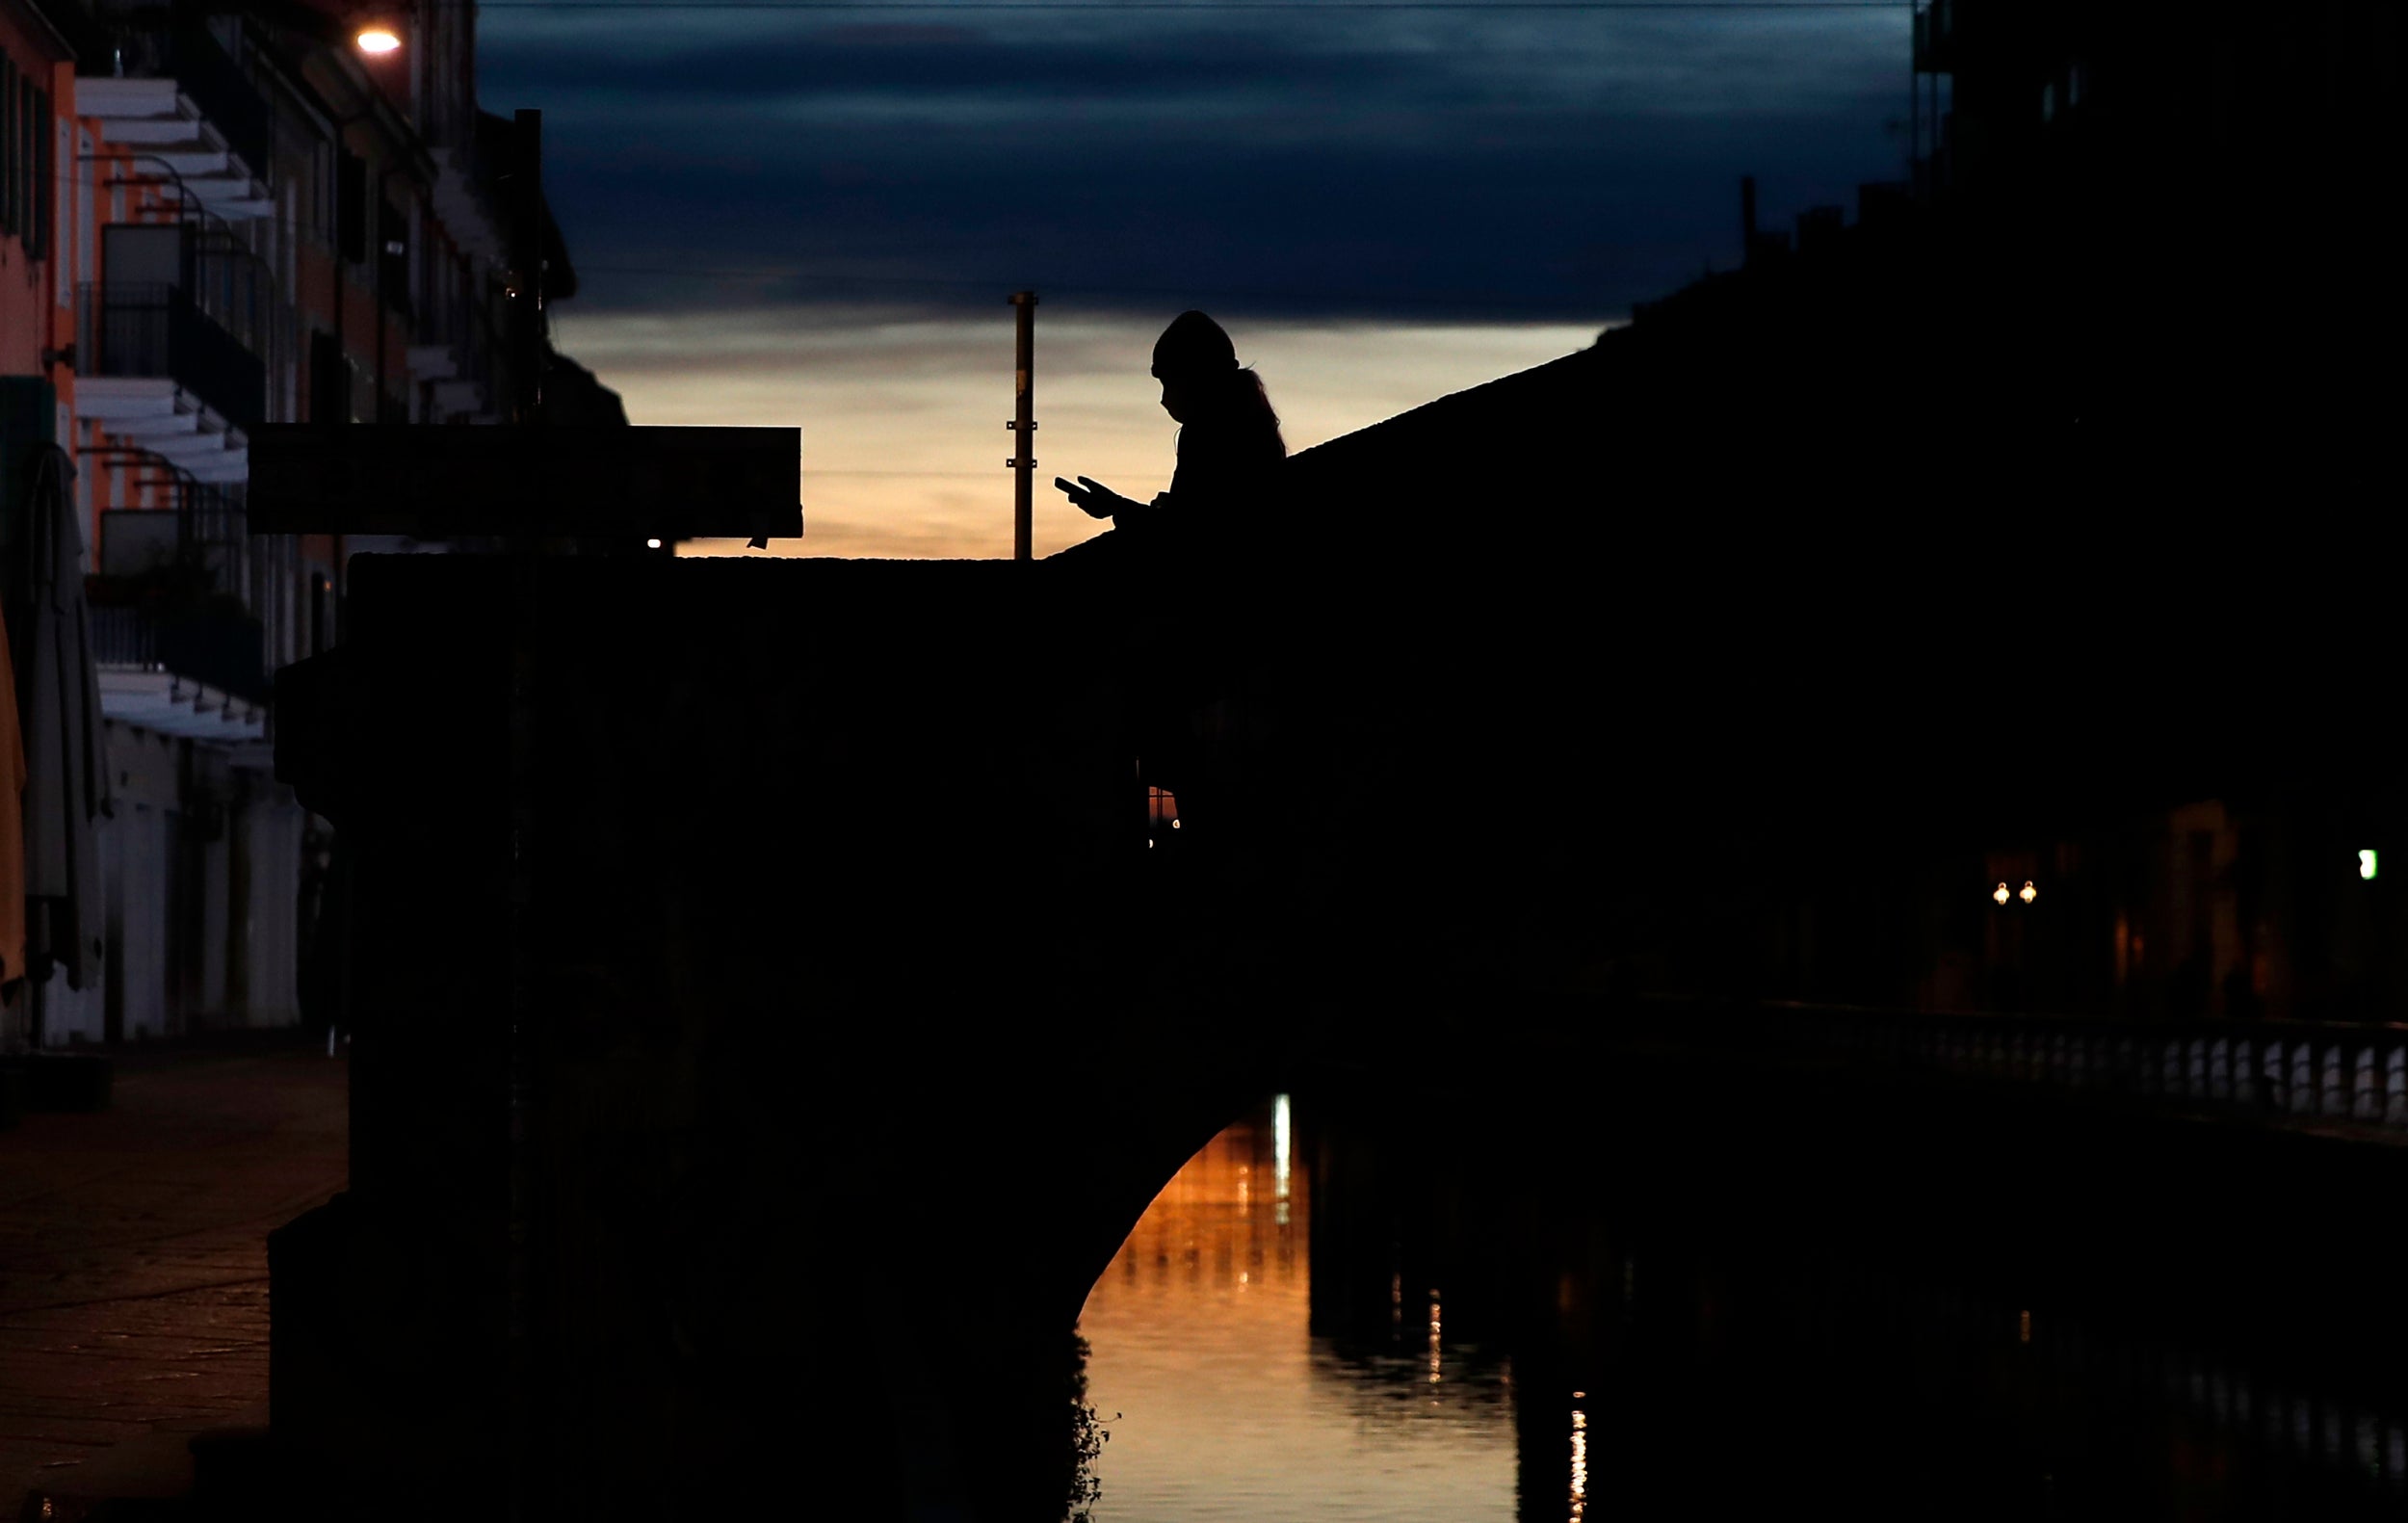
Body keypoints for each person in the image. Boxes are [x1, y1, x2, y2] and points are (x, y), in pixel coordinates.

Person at [1057, 310, 1285, 569]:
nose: (1164, 399)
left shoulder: (1206, 436)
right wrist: (1120, 507)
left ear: (1196, 377)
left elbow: (1188, 533)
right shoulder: (1248, 425)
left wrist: (1117, 507)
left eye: (1169, 382)